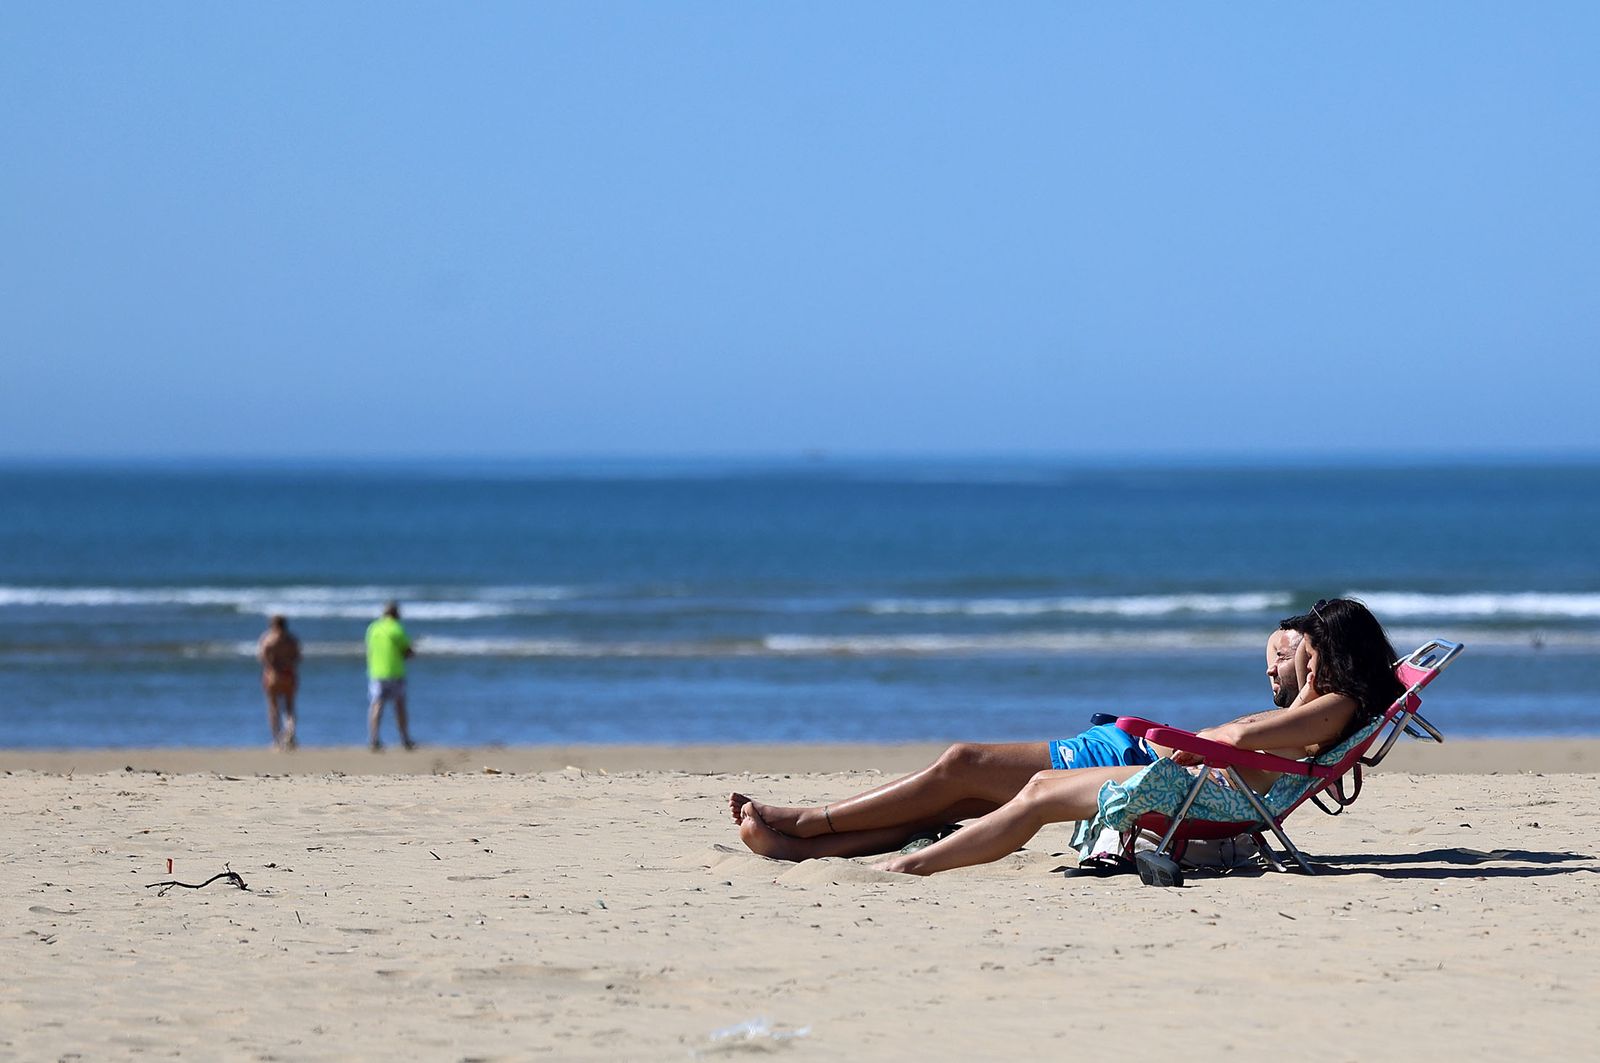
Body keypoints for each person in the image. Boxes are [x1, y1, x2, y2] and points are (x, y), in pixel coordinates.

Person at [731, 598, 1402, 876]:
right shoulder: (1329, 705)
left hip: (1192, 782)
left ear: (1329, 651)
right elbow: (1247, 736)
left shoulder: (1330, 706)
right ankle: (810, 840)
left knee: (1010, 786)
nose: (1287, 661)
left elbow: (1232, 736)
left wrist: (1190, 739)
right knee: (992, 790)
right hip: (1191, 773)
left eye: (1301, 651)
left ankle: (880, 855)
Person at [366, 601, 416, 751]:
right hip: (395, 672)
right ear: (396, 613)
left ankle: (374, 738)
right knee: (399, 706)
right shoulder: (397, 628)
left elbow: (369, 649)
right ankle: (404, 738)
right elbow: (407, 651)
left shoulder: (373, 628)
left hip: (376, 672)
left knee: (376, 705)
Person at [257, 614, 302, 750]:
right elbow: (298, 657)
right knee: (289, 708)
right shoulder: (291, 640)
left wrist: (272, 664)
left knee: (273, 707)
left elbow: (262, 657)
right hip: (288, 674)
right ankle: (290, 733)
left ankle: (276, 739)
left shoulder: (268, 639)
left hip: (273, 675)